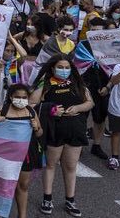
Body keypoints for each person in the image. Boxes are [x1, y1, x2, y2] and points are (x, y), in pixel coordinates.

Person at [30, 56, 93, 217]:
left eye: (67, 67)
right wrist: (50, 110)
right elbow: (31, 104)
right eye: (60, 67)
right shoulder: (45, 84)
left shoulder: (77, 83)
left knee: (71, 166)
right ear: (52, 68)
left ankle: (70, 200)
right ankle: (47, 198)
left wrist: (79, 107)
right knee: (51, 165)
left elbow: (90, 103)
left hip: (75, 129)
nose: (64, 70)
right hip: (54, 129)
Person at [0, 84, 44, 218]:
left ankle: (22, 215)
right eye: (17, 97)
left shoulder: (31, 112)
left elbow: (40, 134)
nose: (21, 100)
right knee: (5, 185)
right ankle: (1, 213)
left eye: (24, 97)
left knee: (23, 185)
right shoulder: (1, 111)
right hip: (6, 155)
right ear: (11, 97)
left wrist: (36, 128)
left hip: (26, 153)